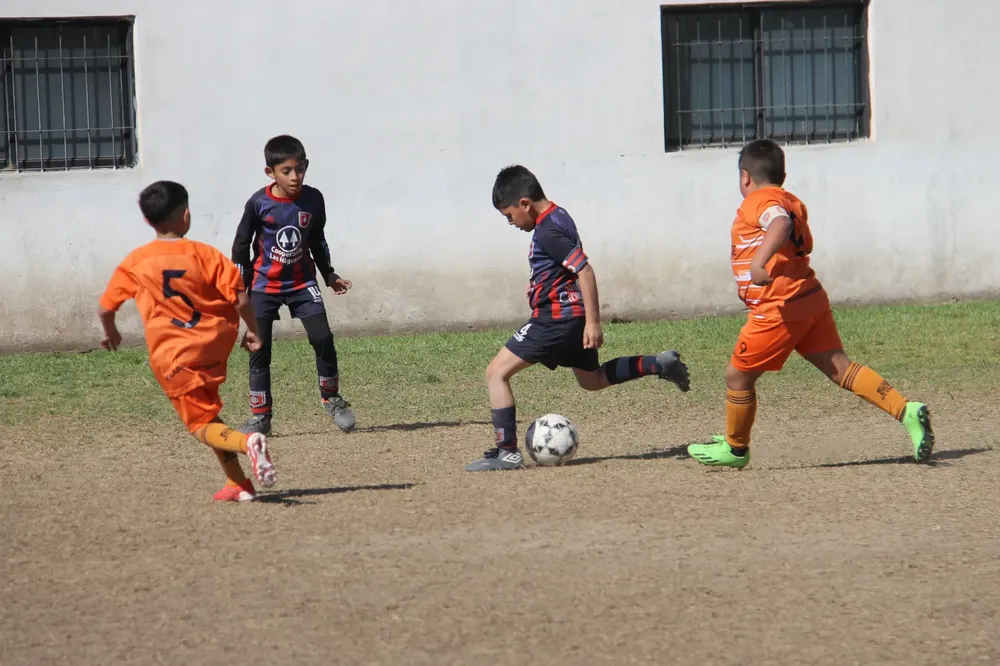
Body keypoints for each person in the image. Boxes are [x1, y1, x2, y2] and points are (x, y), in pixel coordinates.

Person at [687, 139, 934, 469]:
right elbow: (785, 221)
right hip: (808, 298)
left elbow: (779, 223)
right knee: (841, 369)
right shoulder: (792, 201)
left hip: (778, 308)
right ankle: (906, 410)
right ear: (783, 174)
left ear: (745, 177)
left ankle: (735, 448)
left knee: (737, 376)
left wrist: (759, 262)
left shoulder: (760, 201)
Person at [466, 165, 691, 472]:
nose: (511, 223)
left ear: (524, 204)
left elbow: (584, 270)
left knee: (496, 373)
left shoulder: (548, 230)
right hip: (572, 317)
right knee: (591, 380)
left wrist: (594, 322)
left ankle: (507, 452)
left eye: (509, 215)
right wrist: (539, 285)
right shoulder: (559, 215)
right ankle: (658, 364)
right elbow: (563, 269)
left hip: (555, 319)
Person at [98, 180, 277, 502]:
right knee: (207, 416)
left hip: (174, 355)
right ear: (186, 215)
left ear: (146, 219)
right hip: (213, 347)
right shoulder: (206, 255)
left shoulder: (137, 261)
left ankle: (247, 442)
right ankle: (238, 483)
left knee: (198, 425)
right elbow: (241, 300)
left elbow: (105, 308)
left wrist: (111, 332)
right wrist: (253, 331)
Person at [231, 135, 355, 436]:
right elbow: (241, 246)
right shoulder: (258, 203)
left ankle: (331, 398)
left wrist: (329, 274)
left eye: (299, 169)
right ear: (270, 172)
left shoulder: (313, 199)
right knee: (259, 348)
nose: (294, 177)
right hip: (264, 285)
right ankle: (260, 416)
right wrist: (240, 288)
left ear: (306, 166)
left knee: (323, 337)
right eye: (286, 171)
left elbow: (317, 240)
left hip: (302, 283)